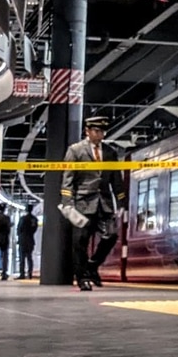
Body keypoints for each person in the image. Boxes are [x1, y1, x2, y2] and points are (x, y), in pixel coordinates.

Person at [61, 114, 120, 291]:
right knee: (80, 242)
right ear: (87, 131)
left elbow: (116, 179)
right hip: (82, 203)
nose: (100, 134)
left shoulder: (110, 152)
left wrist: (121, 202)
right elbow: (67, 178)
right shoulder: (75, 150)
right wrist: (67, 202)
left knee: (111, 235)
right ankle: (82, 277)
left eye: (102, 131)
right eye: (97, 131)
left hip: (104, 202)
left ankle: (92, 265)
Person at [16, 206, 38, 280]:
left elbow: (19, 229)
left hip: (23, 240)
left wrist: (19, 237)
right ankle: (30, 273)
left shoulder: (23, 218)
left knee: (22, 258)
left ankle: (22, 274)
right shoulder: (34, 219)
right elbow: (34, 229)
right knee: (29, 257)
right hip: (31, 240)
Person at [0, 203, 13, 280]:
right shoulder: (7, 218)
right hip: (4, 238)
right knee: (5, 256)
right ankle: (4, 273)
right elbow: (8, 228)